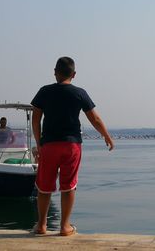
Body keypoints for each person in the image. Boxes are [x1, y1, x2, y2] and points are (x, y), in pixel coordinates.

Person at [31, 56, 114, 236]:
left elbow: (36, 119)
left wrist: (39, 143)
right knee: (69, 186)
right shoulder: (79, 93)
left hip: (49, 145)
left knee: (44, 186)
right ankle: (65, 226)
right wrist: (106, 135)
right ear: (74, 74)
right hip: (71, 145)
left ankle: (42, 225)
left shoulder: (44, 92)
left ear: (55, 72)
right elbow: (95, 118)